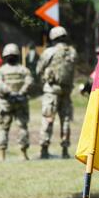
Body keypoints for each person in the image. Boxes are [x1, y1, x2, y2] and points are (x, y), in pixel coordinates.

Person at [36, 26, 77, 159]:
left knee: (48, 118)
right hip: (66, 91)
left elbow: (38, 70)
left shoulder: (49, 52)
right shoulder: (72, 52)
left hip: (51, 91)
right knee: (65, 120)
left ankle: (44, 149)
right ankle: (65, 150)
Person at [0, 43, 33, 161]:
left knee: (3, 128)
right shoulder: (23, 70)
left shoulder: (1, 71)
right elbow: (29, 83)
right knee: (22, 127)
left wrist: (10, 93)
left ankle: (2, 155)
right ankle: (23, 154)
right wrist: (20, 93)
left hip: (6, 103)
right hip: (20, 102)